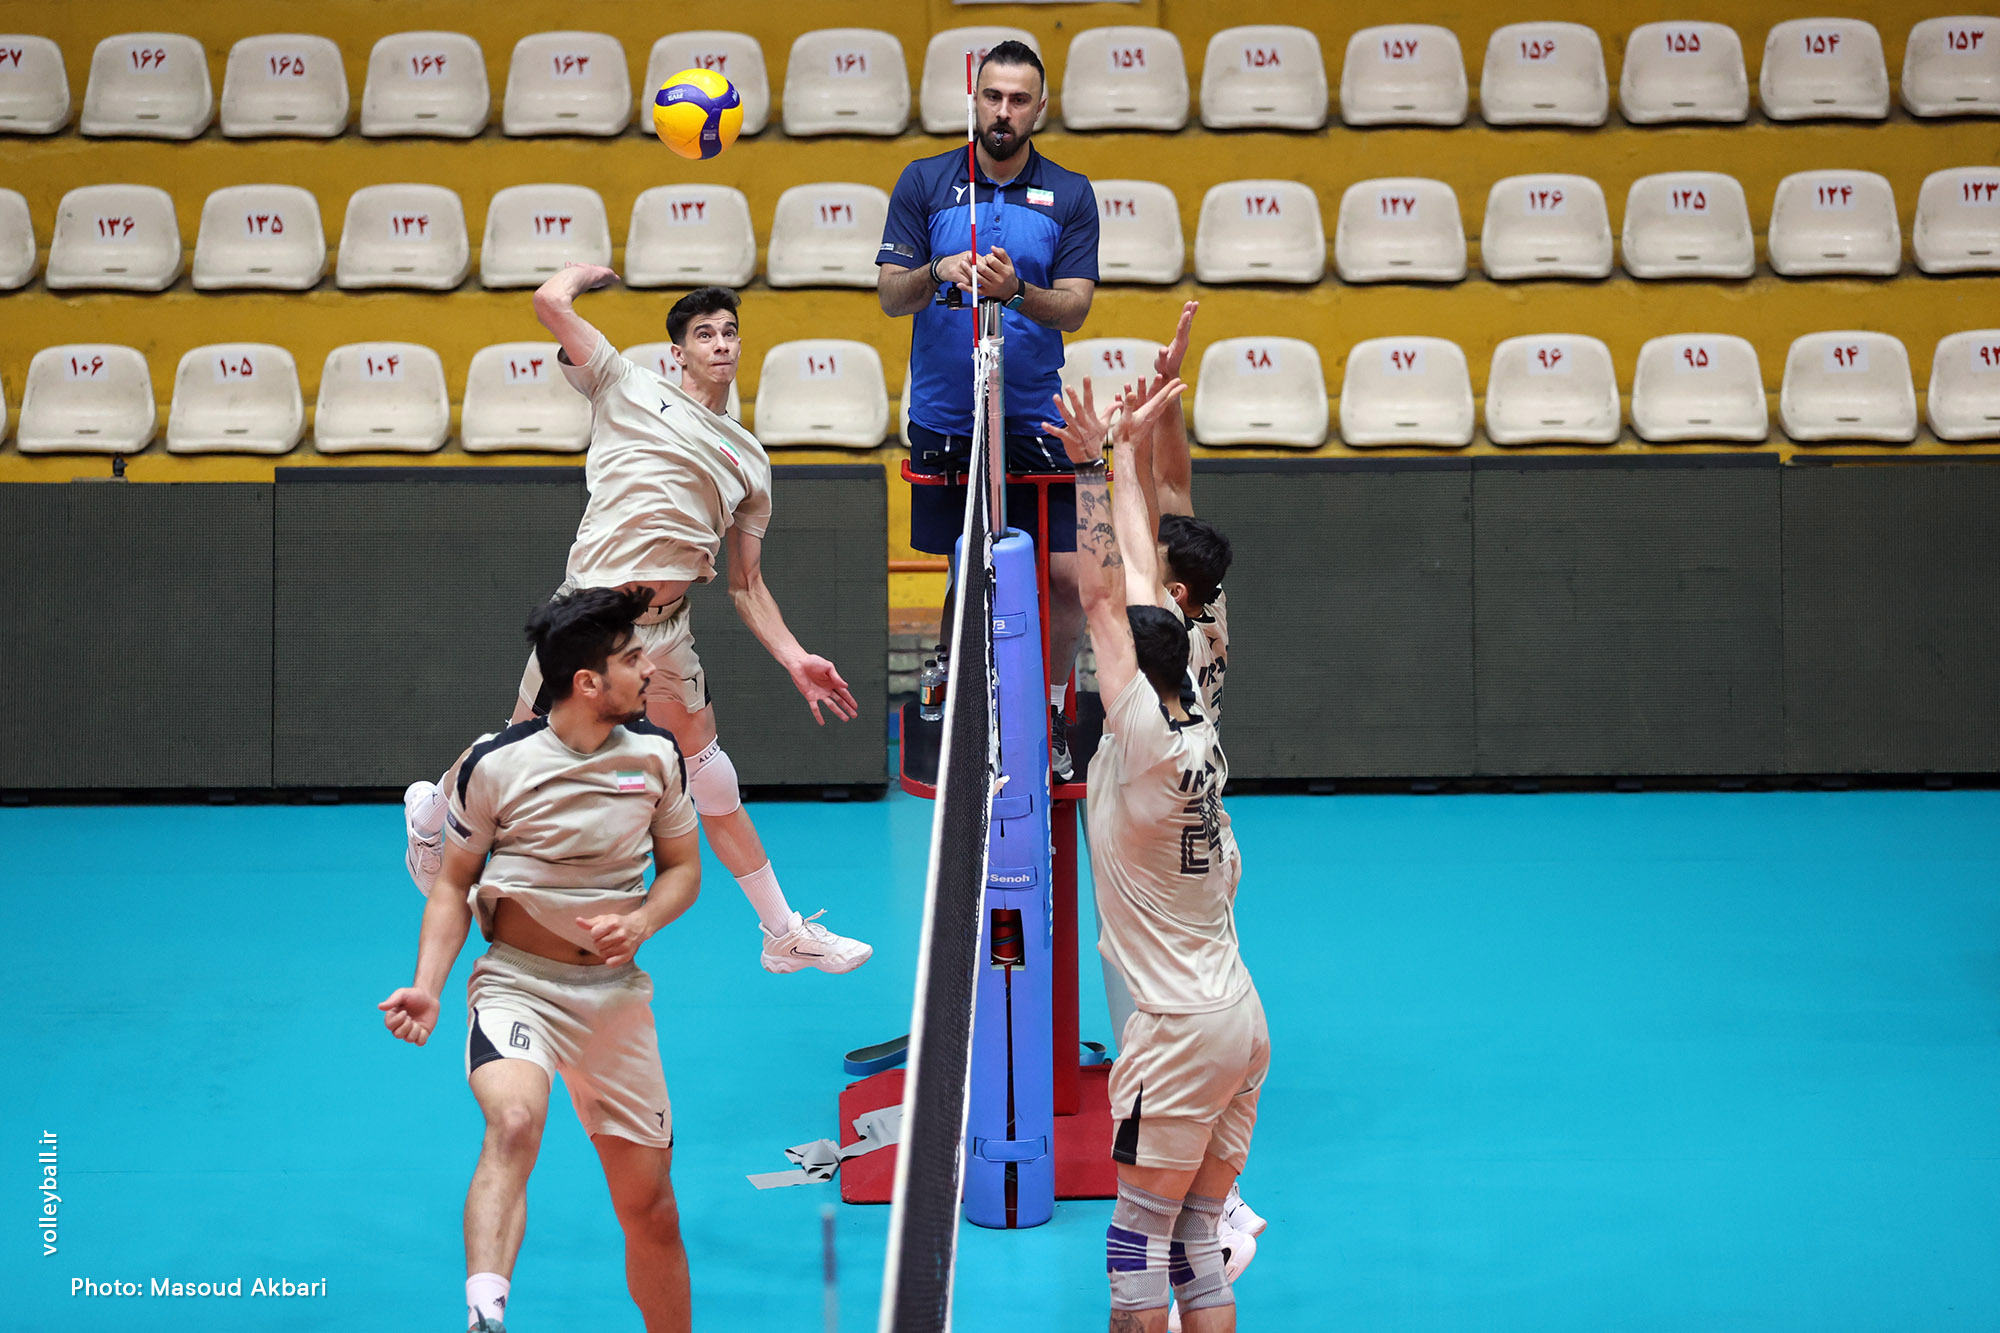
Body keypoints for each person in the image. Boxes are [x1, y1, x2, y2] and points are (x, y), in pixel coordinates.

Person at [403, 268, 871, 976]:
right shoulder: (623, 384)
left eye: (729, 332)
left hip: (668, 629)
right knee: (514, 748)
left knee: (711, 778)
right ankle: (431, 813)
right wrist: (587, 274)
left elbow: (746, 584)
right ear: (678, 352)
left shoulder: (750, 459)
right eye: (704, 334)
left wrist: (794, 656)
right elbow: (549, 303)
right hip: (592, 615)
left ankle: (783, 933)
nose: (720, 343)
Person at [379, 587, 705, 1333]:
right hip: (518, 984)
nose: (648, 670)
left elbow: (684, 869)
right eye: (632, 659)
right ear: (587, 682)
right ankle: (485, 1314)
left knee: (652, 1209)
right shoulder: (496, 763)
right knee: (515, 1122)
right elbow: (452, 883)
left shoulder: (658, 755)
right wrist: (429, 986)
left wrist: (643, 919)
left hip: (615, 997)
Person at [1047, 379, 1269, 1333]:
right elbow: (1138, 583)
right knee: (1196, 1239)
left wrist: (1092, 466)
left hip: (1178, 1031)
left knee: (1137, 1242)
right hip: (1240, 1016)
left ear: (1129, 674)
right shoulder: (1193, 714)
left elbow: (1103, 590)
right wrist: (1121, 458)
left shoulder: (1133, 734)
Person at [875, 39, 1100, 777]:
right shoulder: (925, 181)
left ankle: (1053, 709)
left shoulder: (1069, 193)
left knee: (1062, 576)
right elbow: (890, 295)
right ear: (975, 101)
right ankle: (959, 701)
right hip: (947, 414)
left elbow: (1074, 308)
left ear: (1041, 108)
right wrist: (937, 270)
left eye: (1019, 100)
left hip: (1035, 415)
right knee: (967, 568)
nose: (1004, 112)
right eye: (993, 97)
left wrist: (1016, 294)